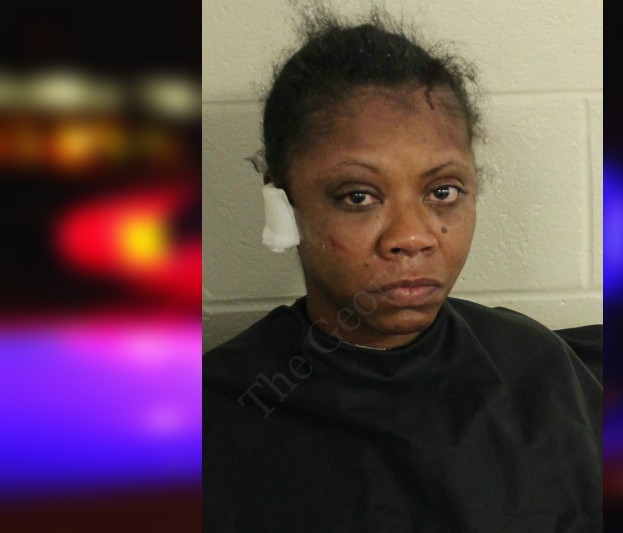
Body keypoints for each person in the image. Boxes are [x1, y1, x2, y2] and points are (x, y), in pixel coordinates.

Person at [203, 9, 602, 532]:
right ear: (284, 201)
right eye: (358, 196)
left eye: (443, 192)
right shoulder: (220, 415)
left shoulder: (536, 371)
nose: (412, 237)